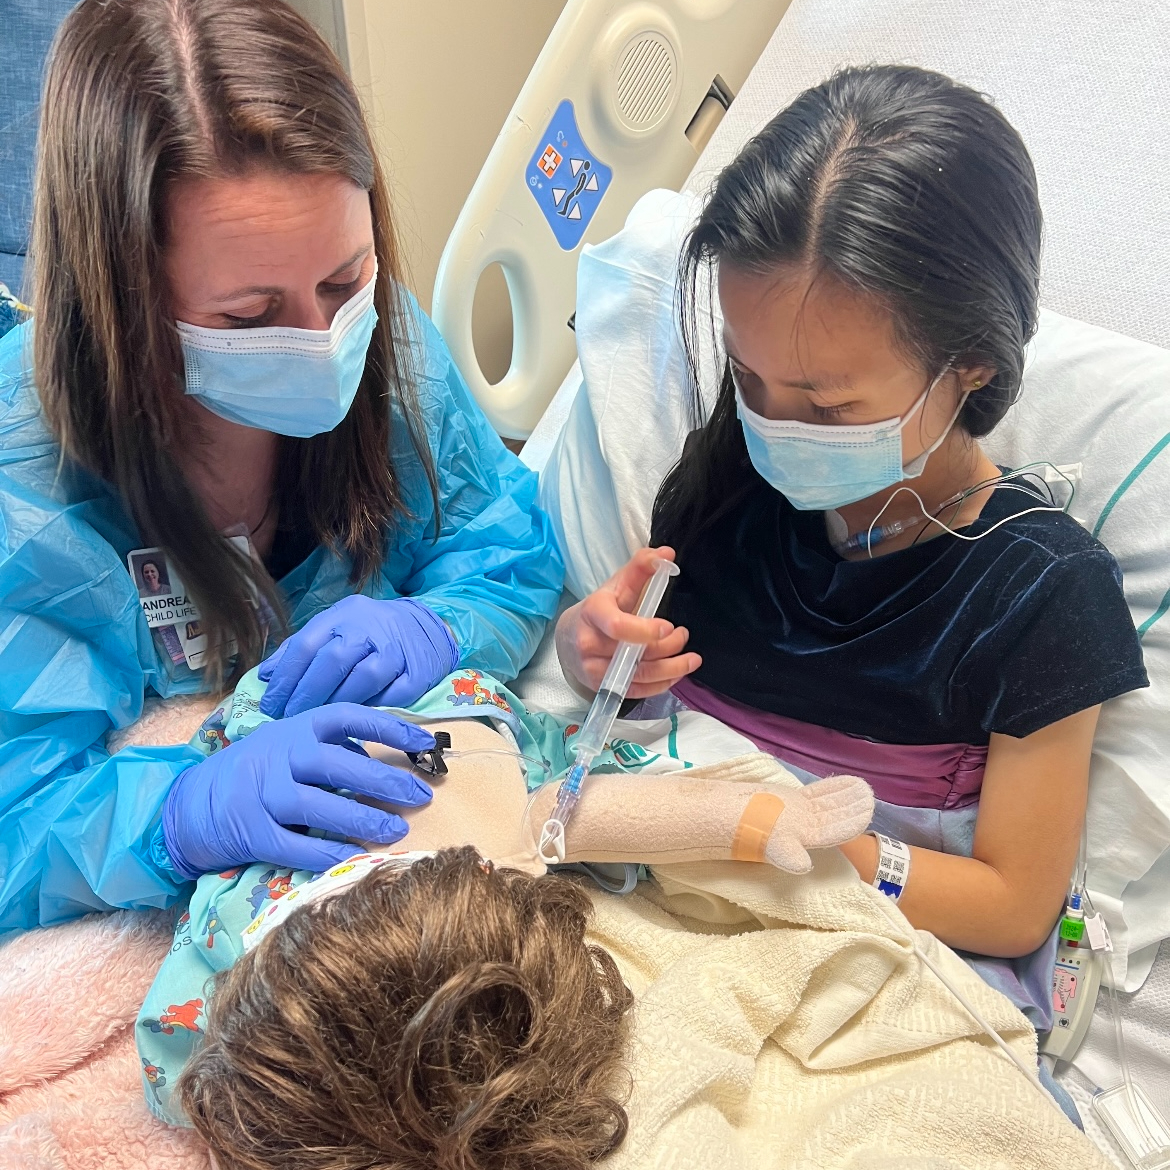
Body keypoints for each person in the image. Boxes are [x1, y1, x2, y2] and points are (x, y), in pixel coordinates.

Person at [555, 66, 1148, 1066]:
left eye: (830, 408)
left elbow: (1011, 906)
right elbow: (638, 709)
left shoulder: (1041, 591)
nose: (777, 429)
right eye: (751, 380)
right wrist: (597, 655)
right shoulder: (722, 486)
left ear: (974, 364)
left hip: (862, 970)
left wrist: (775, 836)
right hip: (636, 924)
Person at [0, 0, 562, 935]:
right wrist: (180, 815)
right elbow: (17, 821)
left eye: (345, 280)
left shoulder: (393, 357)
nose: (322, 340)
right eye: (249, 317)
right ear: (122, 302)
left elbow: (503, 549)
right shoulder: (30, 486)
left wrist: (438, 623)